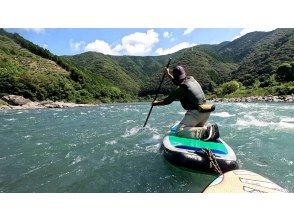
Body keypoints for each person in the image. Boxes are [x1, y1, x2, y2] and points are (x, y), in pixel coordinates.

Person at [152, 65, 220, 141]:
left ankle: (206, 131)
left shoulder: (179, 90)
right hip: (206, 110)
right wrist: (168, 74)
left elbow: (166, 101)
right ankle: (206, 129)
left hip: (196, 113)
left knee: (179, 131)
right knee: (195, 127)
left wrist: (155, 103)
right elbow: (178, 82)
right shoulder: (191, 79)